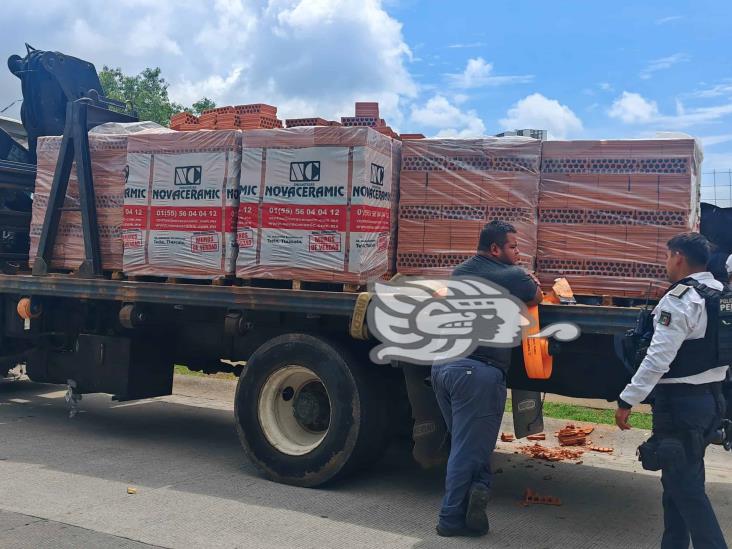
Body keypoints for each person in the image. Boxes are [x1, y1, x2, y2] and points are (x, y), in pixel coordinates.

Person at [615, 232, 729, 549]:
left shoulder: (680, 299)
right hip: (711, 401)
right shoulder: (723, 295)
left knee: (687, 490)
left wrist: (628, 398)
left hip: (680, 407)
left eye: (667, 257)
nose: (666, 263)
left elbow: (658, 358)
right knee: (677, 483)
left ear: (677, 256)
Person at [431, 220, 542, 537]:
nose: (518, 253)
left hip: (444, 367)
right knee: (468, 451)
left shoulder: (461, 272)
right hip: (477, 372)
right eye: (513, 246)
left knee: (467, 445)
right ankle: (449, 520)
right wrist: (528, 278)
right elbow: (535, 296)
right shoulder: (511, 275)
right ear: (495, 248)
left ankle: (475, 497)